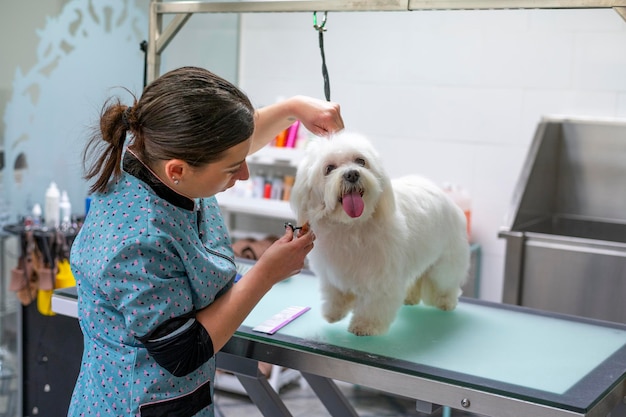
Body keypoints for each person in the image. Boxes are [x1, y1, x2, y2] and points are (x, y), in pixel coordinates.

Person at [68, 66, 344, 417]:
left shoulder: (156, 152)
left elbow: (228, 143)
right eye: (234, 169)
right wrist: (267, 273)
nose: (244, 173)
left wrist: (294, 108)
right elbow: (184, 353)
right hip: (139, 403)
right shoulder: (138, 241)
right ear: (178, 171)